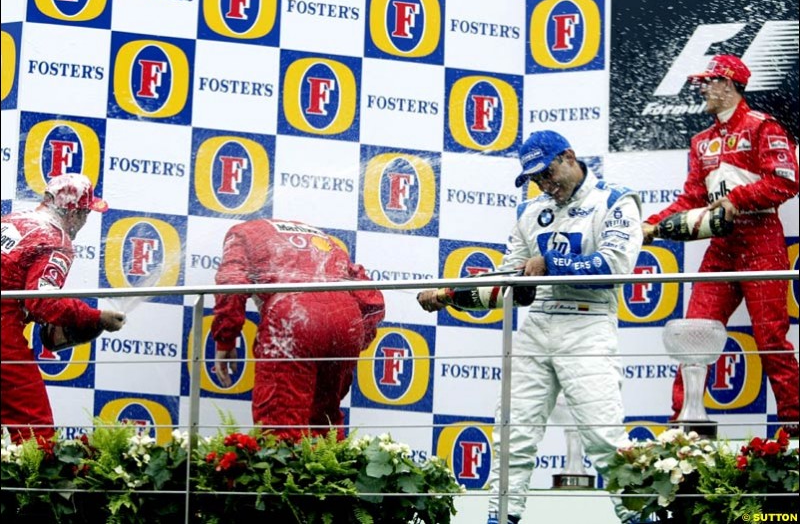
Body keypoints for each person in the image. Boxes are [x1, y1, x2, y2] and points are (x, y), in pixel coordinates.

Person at [418, 130, 643, 523]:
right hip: (536, 325)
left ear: (570, 157)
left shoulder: (616, 200)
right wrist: (451, 294)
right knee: (511, 435)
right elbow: (510, 279)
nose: (544, 184)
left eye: (547, 173)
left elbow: (616, 268)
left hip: (587, 324)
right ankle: (500, 516)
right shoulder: (529, 212)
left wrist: (549, 263)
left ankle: (637, 516)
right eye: (535, 179)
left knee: (603, 437)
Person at [642, 54, 800, 435]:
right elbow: (692, 200)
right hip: (722, 248)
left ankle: (795, 426)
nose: (701, 88)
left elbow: (787, 180)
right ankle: (685, 428)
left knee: (770, 339)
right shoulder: (701, 142)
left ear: (727, 85)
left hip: (762, 240)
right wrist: (653, 223)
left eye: (707, 82)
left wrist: (738, 200)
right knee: (694, 334)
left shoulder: (763, 127)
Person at [211, 218, 385, 442]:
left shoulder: (240, 233)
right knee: (325, 424)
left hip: (293, 317)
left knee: (280, 428)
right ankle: (329, 475)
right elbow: (371, 299)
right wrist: (356, 337)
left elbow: (230, 282)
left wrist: (225, 339)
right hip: (346, 320)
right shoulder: (320, 237)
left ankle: (283, 476)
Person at [1, 173, 126, 443]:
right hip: (2, 332)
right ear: (75, 213)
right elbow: (43, 300)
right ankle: (32, 483)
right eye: (86, 213)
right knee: (34, 431)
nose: (85, 221)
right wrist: (96, 317)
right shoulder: (55, 239)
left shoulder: (12, 220)